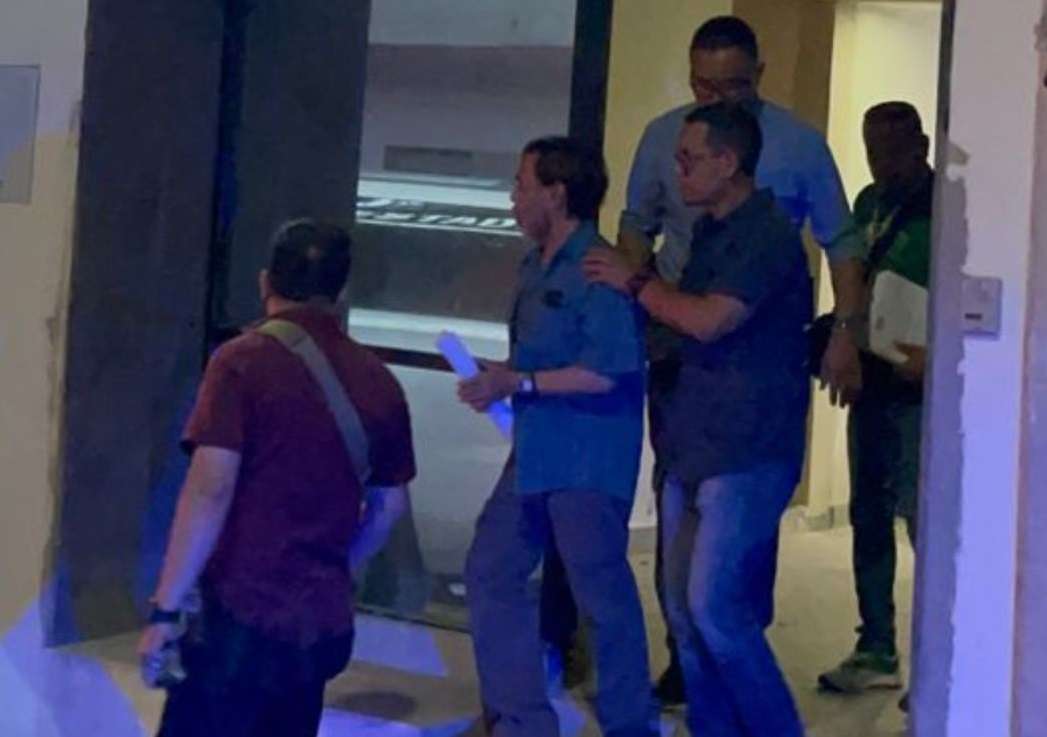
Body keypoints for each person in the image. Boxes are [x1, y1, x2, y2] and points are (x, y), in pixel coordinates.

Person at [539, 14, 864, 704]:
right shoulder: (669, 144)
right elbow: (636, 226)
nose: (714, 99)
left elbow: (837, 244)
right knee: (685, 545)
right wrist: (628, 307)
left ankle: (741, 661)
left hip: (750, 367)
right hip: (677, 360)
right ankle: (696, 666)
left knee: (726, 574)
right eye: (702, 86)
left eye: (731, 87)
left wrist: (845, 330)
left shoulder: (788, 172)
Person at [137, 220, 417, 737]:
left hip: (238, 618)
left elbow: (210, 488)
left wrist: (166, 610)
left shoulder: (240, 362)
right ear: (341, 292)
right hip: (317, 627)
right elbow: (389, 508)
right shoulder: (380, 382)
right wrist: (339, 570)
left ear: (265, 281)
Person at [585, 102, 812, 737]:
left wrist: (634, 283)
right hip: (691, 439)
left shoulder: (765, 234)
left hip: (744, 449)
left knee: (717, 611)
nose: (676, 171)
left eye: (688, 160)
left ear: (728, 162)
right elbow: (681, 324)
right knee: (685, 615)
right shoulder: (711, 229)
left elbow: (709, 319)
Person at [459, 136, 656, 737]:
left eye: (523, 186)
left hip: (586, 461)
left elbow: (606, 371)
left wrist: (518, 382)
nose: (513, 198)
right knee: (491, 569)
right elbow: (539, 360)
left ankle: (630, 725)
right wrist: (502, 378)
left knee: (602, 599)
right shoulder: (533, 265)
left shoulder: (598, 270)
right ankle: (520, 719)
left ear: (557, 193)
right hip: (535, 454)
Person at [817, 102, 932, 700]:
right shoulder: (866, 204)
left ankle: (935, 653)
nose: (881, 163)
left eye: (893, 150)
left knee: (921, 517)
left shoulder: (945, 207)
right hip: (872, 377)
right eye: (872, 151)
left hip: (921, 388)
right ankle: (876, 646)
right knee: (868, 513)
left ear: (922, 146)